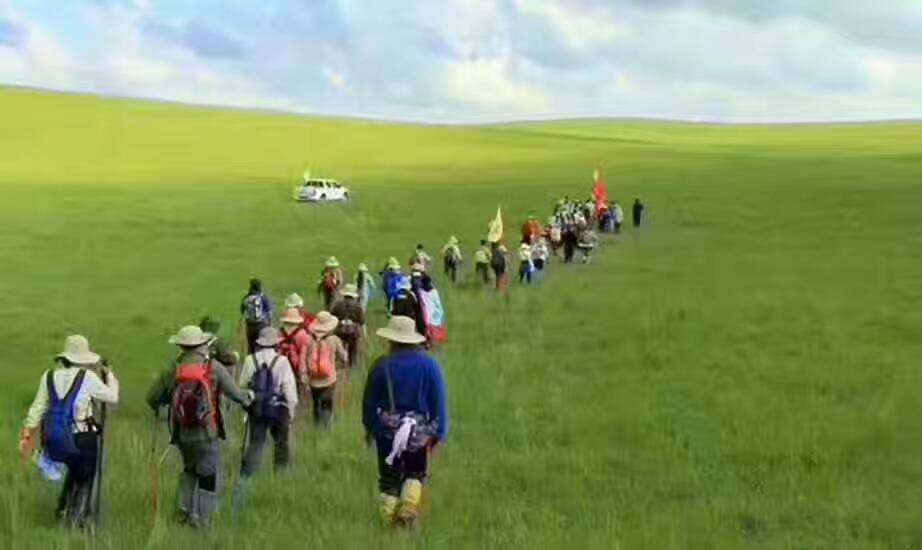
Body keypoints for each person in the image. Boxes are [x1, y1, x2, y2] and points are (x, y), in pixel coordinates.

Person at [146, 325, 253, 528]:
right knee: (208, 475)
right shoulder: (213, 367)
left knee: (189, 469)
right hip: (207, 432)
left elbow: (152, 398)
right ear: (202, 344)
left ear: (181, 346)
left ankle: (184, 512)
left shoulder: (173, 369)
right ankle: (203, 521)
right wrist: (250, 397)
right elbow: (237, 395)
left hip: (181, 433)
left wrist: (169, 400)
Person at [20, 336, 119, 528]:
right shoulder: (87, 377)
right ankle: (76, 522)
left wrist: (27, 435)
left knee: (73, 471)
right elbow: (112, 397)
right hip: (82, 437)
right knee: (84, 478)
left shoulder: (48, 376)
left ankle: (62, 510)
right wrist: (110, 376)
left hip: (53, 437)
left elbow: (37, 408)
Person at [362, 316, 448, 527]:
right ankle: (408, 507)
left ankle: (387, 520)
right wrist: (439, 434)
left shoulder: (381, 366)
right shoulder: (430, 365)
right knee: (415, 473)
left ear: (391, 340)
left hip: (387, 431)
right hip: (418, 433)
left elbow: (369, 403)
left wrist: (371, 427)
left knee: (389, 478)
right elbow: (438, 403)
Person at [236, 327, 298, 484]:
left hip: (256, 407)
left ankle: (247, 480)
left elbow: (242, 385)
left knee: (255, 444)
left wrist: (246, 408)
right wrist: (291, 412)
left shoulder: (250, 360)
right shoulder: (282, 361)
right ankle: (280, 479)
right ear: (276, 344)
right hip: (279, 408)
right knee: (281, 444)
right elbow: (289, 389)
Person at [304, 312, 348, 427]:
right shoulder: (334, 339)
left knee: (316, 404)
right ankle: (327, 427)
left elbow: (305, 357)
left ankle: (317, 424)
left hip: (313, 380)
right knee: (327, 404)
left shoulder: (309, 340)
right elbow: (344, 358)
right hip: (329, 380)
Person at [331, 284, 366, 369]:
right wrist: (365, 334)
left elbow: (332, 316)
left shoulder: (338, 304)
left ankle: (341, 361)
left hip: (340, 329)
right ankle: (351, 364)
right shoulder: (357, 306)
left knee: (340, 347)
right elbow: (362, 321)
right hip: (353, 331)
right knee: (353, 348)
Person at [279, 307, 311, 396]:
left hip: (282, 364)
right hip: (295, 366)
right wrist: (303, 373)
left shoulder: (281, 332)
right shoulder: (301, 334)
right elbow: (302, 356)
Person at [240, 279, 272, 354]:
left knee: (251, 346)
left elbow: (242, 311)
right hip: (261, 325)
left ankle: (250, 360)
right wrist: (269, 325)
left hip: (250, 326)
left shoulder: (246, 298)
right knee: (261, 346)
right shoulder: (263, 297)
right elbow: (269, 313)